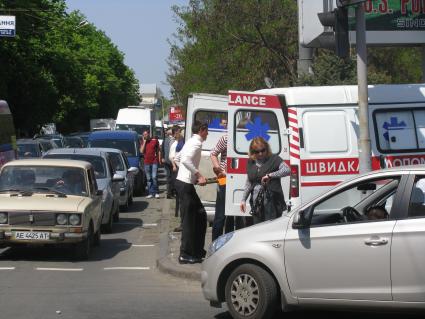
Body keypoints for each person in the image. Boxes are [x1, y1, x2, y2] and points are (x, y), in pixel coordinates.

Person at [174, 120, 208, 264]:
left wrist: (192, 177)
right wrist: (198, 175)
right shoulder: (196, 143)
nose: (208, 133)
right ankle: (185, 254)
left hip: (185, 183)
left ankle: (197, 251)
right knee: (188, 221)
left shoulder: (190, 141)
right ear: (202, 130)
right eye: (207, 130)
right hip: (185, 185)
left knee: (200, 216)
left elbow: (177, 158)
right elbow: (186, 160)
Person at [240, 137, 290, 224]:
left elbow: (287, 170)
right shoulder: (251, 162)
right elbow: (249, 182)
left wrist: (270, 175)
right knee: (258, 228)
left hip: (272, 202)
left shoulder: (274, 159)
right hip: (257, 203)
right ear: (252, 152)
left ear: (266, 148)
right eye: (257, 151)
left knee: (271, 228)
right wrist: (243, 199)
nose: (260, 153)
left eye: (263, 150)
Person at [169, 127, 184, 230]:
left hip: (180, 168)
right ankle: (179, 215)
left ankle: (180, 216)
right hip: (177, 169)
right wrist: (174, 165)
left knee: (180, 196)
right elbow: (171, 157)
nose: (175, 135)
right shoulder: (175, 144)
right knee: (179, 195)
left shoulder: (182, 143)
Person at [140, 130, 161, 199]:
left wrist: (159, 160)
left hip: (154, 161)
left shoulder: (155, 141)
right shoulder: (143, 142)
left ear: (149, 134)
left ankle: (156, 192)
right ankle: (151, 192)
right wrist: (145, 142)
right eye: (144, 135)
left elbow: (158, 151)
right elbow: (141, 151)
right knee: (149, 178)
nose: (145, 136)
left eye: (146, 134)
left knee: (154, 177)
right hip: (146, 162)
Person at [161, 127, 175, 199]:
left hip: (167, 160)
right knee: (171, 177)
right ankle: (170, 193)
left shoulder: (166, 139)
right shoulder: (172, 140)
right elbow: (162, 149)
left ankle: (170, 192)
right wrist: (162, 157)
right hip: (170, 161)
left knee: (169, 177)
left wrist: (163, 158)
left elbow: (162, 149)